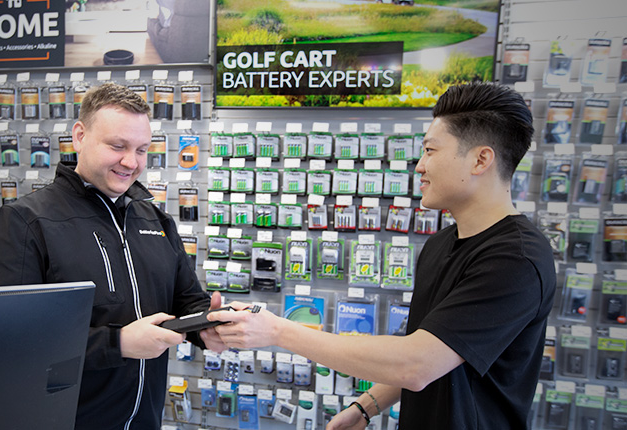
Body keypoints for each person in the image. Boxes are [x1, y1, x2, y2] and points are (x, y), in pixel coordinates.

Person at [208, 82, 556, 429]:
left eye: (431, 151)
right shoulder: (439, 245)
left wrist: (278, 331)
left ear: (481, 159)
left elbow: (417, 364)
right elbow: (436, 348)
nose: (419, 166)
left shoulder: (516, 260)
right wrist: (366, 406)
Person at [0, 82, 225, 429]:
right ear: (80, 136)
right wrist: (119, 343)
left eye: (142, 149)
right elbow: (8, 340)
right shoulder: (27, 221)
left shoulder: (155, 219)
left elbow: (187, 301)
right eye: (118, 146)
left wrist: (207, 326)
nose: (131, 162)